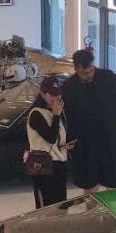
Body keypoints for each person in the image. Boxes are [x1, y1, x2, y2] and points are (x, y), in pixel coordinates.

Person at [62, 47, 116, 190]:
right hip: (84, 144)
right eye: (85, 73)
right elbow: (65, 116)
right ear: (75, 69)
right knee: (89, 185)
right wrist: (67, 140)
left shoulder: (109, 78)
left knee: (114, 184)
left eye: (91, 70)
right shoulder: (69, 86)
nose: (89, 75)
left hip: (111, 139)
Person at [25, 76, 73, 208]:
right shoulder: (36, 113)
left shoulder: (57, 111)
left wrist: (65, 145)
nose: (56, 98)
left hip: (59, 163)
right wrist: (56, 115)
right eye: (52, 95)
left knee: (60, 203)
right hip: (43, 165)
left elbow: (57, 137)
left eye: (58, 94)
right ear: (42, 94)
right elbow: (50, 138)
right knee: (46, 207)